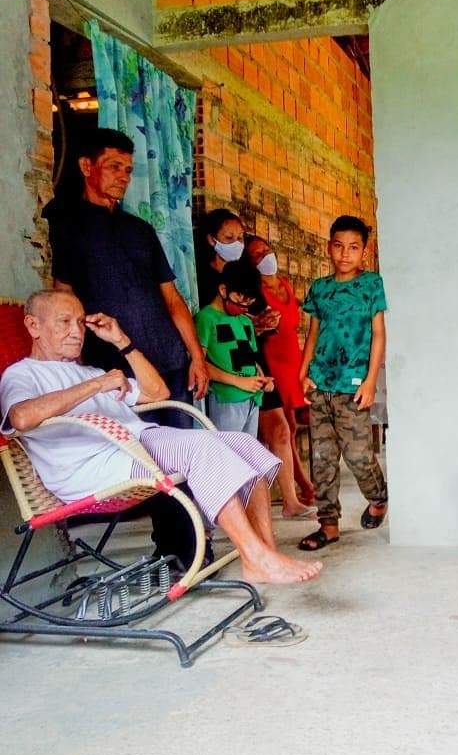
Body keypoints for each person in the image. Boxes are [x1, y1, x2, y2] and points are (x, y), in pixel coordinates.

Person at [0, 290, 323, 586]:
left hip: (134, 447)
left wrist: (121, 340)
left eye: (79, 323)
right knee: (203, 447)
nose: (76, 331)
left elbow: (158, 392)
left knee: (245, 445)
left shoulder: (92, 372)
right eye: (64, 322)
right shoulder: (22, 374)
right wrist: (95, 387)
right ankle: (256, 557)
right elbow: (22, 417)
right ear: (33, 325)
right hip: (96, 465)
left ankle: (264, 552)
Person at [42, 127, 209, 567]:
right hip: (115, 370)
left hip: (169, 361)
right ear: (86, 167)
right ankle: (174, 549)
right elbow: (64, 294)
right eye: (114, 166)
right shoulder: (68, 224)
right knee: (148, 460)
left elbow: (173, 300)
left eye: (129, 170)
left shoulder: (139, 229)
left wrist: (196, 356)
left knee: (180, 455)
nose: (123, 176)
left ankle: (189, 548)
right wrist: (71, 363)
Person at [296, 215, 388, 551]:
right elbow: (313, 333)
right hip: (321, 383)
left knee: (359, 455)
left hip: (353, 385)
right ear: (329, 247)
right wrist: (304, 372)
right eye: (338, 246)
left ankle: (379, 499)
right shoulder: (320, 289)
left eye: (353, 247)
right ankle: (329, 524)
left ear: (364, 251)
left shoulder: (371, 285)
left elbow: (378, 335)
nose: (344, 254)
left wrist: (370, 381)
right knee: (321, 457)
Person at [244, 234, 316, 505]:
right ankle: (302, 486)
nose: (265, 257)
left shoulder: (285, 284)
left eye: (266, 250)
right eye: (257, 255)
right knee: (286, 426)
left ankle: (300, 485)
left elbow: (296, 317)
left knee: (295, 424)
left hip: (293, 358)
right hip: (273, 360)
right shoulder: (255, 292)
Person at [195, 260, 274, 437]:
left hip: (253, 398)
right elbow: (199, 364)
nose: (243, 308)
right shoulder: (206, 318)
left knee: (246, 454)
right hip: (227, 399)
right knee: (228, 456)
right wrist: (238, 381)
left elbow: (251, 360)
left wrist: (262, 378)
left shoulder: (245, 321)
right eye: (240, 301)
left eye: (249, 304)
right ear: (223, 290)